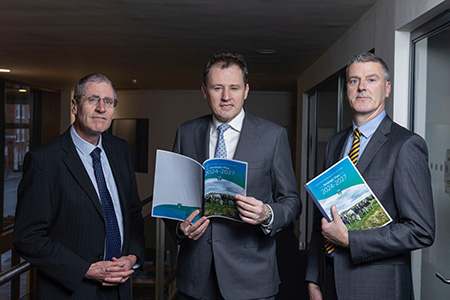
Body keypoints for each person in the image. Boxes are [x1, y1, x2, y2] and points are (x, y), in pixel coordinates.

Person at [164, 52, 302, 300]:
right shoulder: (186, 132)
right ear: (204, 91)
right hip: (195, 277)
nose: (226, 97)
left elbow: (292, 201)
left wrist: (267, 214)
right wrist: (180, 228)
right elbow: (173, 200)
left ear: (246, 90)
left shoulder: (273, 136)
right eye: (217, 88)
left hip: (251, 278)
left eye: (234, 88)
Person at [305, 52, 435, 300]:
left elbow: (421, 230)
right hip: (329, 280)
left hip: (377, 287)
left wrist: (351, 240)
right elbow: (319, 220)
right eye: (354, 81)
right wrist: (313, 278)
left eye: (371, 80)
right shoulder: (335, 143)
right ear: (347, 91)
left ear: (387, 89)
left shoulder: (406, 145)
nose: (362, 87)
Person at [13, 73, 145, 300]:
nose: (102, 108)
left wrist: (132, 256)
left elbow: (133, 213)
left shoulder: (120, 150)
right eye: (93, 99)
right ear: (75, 105)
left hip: (120, 288)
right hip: (72, 290)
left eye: (109, 102)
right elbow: (28, 237)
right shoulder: (45, 160)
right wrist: (86, 269)